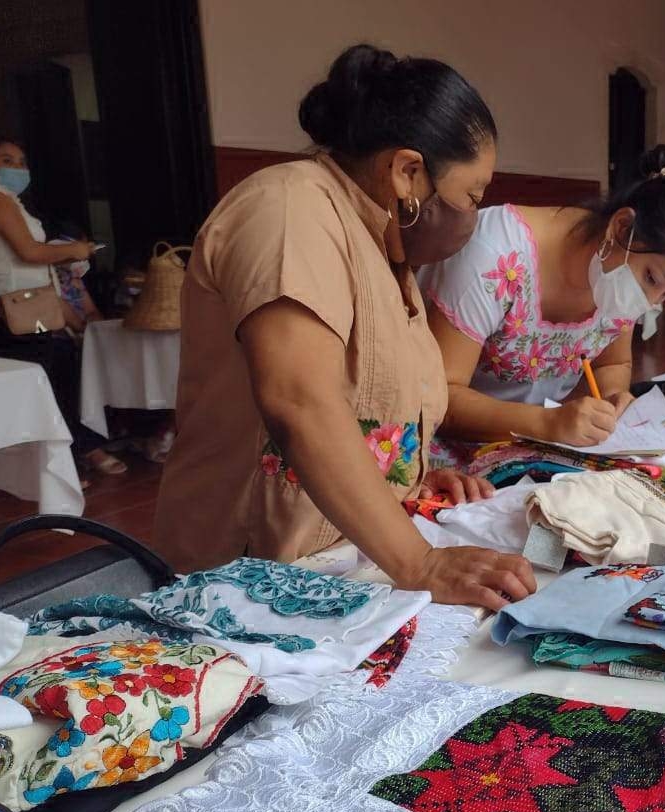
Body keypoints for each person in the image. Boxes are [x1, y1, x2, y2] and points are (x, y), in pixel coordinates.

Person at [153, 44, 535, 610]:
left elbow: (366, 402)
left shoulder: (382, 246)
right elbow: (299, 400)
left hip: (341, 555)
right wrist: (421, 561)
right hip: (253, 574)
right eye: (470, 196)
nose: (473, 217)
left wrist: (405, 478)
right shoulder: (289, 211)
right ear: (407, 172)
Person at [418, 145, 665, 455]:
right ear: (621, 228)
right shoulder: (495, 256)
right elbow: (439, 398)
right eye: (652, 279)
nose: (649, 302)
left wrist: (612, 398)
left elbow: (614, 362)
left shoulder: (617, 274)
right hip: (440, 450)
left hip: (534, 448)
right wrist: (546, 423)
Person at [0, 137, 124, 477]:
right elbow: (30, 253)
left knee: (59, 377)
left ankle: (69, 458)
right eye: (7, 160)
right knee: (49, 384)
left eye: (22, 161)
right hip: (13, 313)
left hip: (29, 308)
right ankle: (60, 465)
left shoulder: (4, 200)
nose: (17, 168)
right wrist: (75, 251)